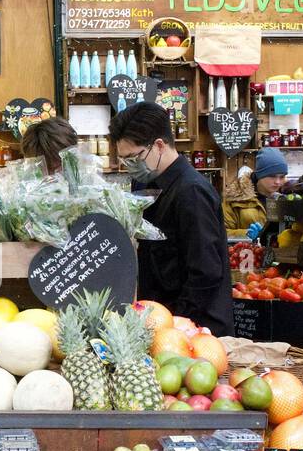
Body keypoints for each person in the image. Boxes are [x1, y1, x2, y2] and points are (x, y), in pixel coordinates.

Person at [109, 102, 233, 335]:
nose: (129, 167)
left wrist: (178, 323)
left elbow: (205, 271)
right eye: (124, 160)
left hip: (195, 328)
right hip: (158, 318)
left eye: (134, 158)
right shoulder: (144, 183)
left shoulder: (192, 192)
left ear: (159, 145)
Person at [223, 147, 288, 233]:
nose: (277, 182)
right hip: (245, 246)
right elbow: (221, 232)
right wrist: (246, 234)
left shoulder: (287, 199)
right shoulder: (235, 199)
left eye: (282, 177)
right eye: (272, 176)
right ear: (260, 175)